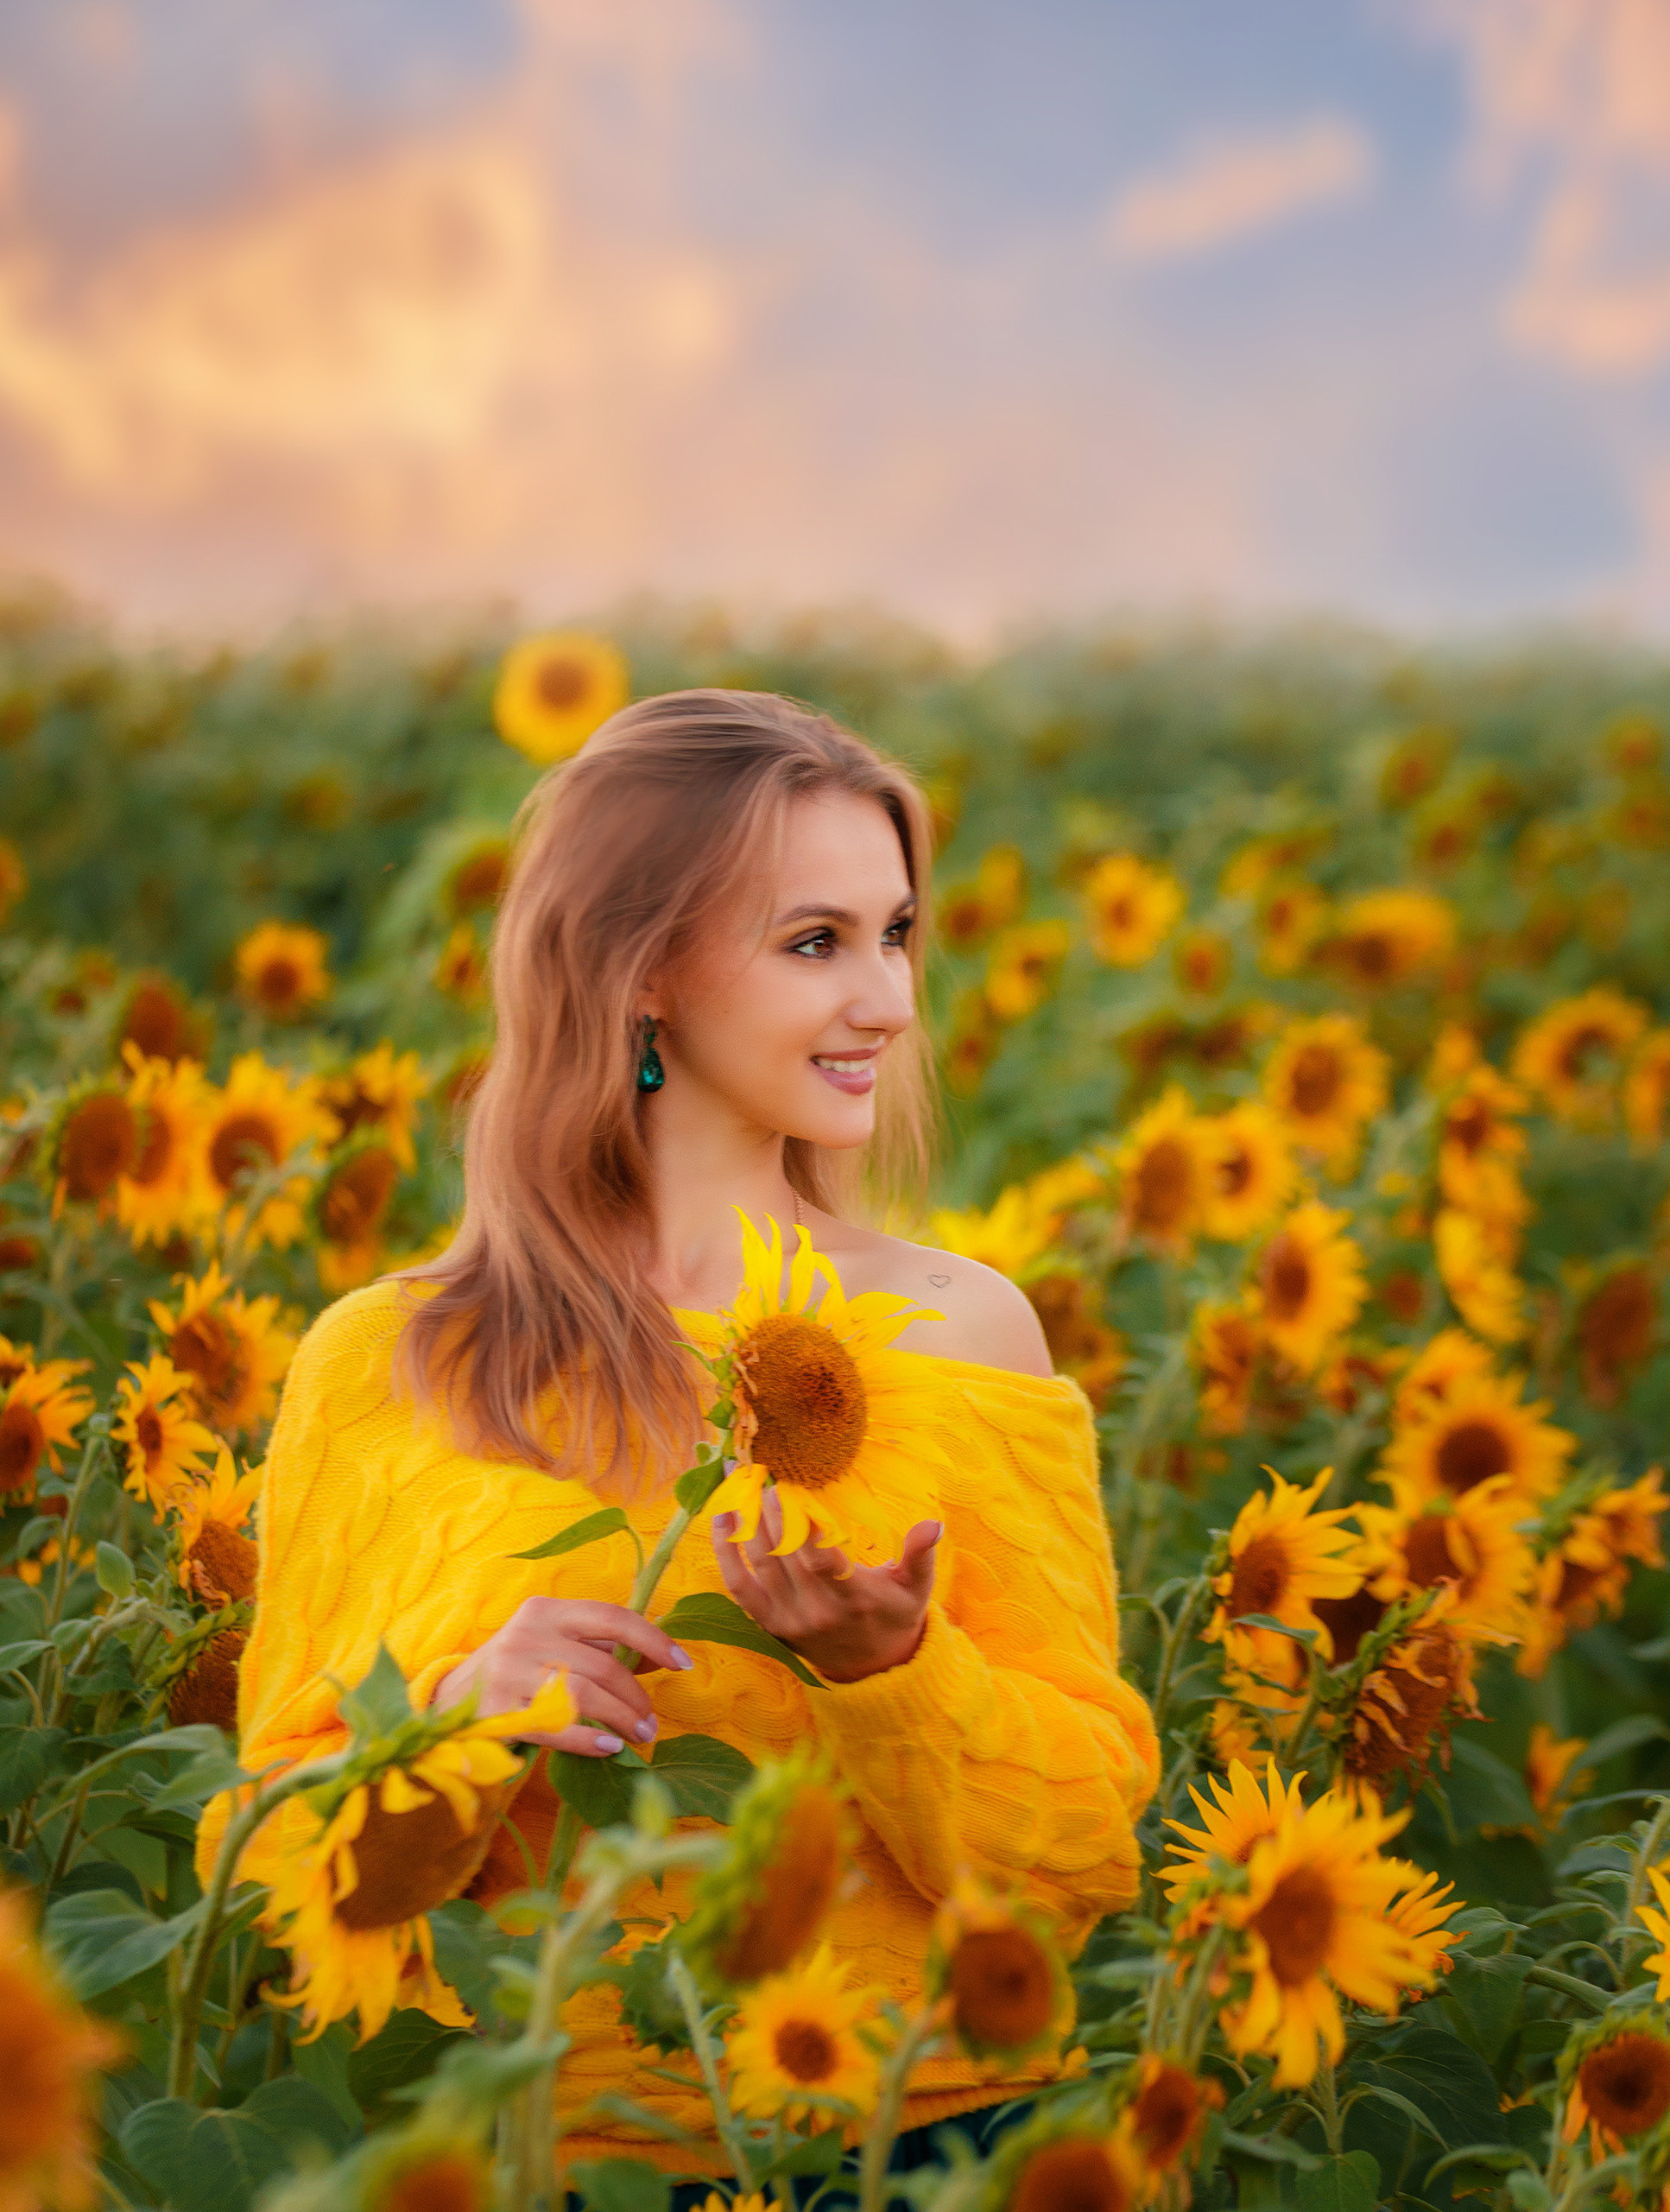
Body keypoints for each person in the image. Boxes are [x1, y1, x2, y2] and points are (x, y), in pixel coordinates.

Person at [218, 688, 1159, 2178]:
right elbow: (281, 1871)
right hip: (571, 2158)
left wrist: (894, 1672)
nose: (889, 1001)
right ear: (641, 965)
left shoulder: (959, 1329)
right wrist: (456, 1715)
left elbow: (1087, 1848)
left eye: (897, 933)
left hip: (934, 2143)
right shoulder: (396, 1362)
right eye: (815, 943)